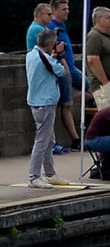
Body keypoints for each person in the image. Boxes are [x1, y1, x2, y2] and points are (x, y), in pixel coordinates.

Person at [25, 30, 71, 188]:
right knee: (42, 141)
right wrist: (60, 56)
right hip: (44, 103)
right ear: (50, 44)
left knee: (49, 140)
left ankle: (50, 173)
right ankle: (34, 176)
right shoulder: (43, 58)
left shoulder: (31, 54)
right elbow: (63, 72)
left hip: (39, 101)